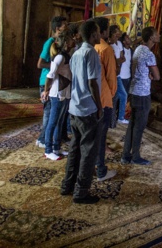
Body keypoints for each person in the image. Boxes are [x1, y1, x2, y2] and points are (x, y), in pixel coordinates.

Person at [61, 20, 103, 204]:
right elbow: (92, 83)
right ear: (94, 34)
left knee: (75, 148)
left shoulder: (77, 53)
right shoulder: (91, 53)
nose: (101, 35)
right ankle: (81, 191)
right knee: (88, 151)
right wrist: (99, 106)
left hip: (75, 106)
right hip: (87, 108)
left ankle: (67, 185)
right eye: (99, 32)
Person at [122, 26, 160, 165]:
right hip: (143, 93)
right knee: (139, 126)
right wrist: (150, 75)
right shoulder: (149, 54)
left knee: (132, 124)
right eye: (156, 34)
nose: (159, 35)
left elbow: (134, 71)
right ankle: (135, 156)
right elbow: (157, 76)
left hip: (134, 90)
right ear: (151, 38)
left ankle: (125, 155)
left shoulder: (137, 49)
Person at [41, 31, 74, 160]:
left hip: (65, 92)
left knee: (60, 122)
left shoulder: (67, 55)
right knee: (53, 122)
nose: (73, 41)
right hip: (57, 94)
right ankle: (48, 150)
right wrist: (46, 90)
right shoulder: (60, 57)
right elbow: (50, 75)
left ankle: (56, 147)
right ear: (66, 42)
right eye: (71, 39)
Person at [93, 17, 117, 182]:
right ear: (103, 31)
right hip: (104, 96)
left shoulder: (90, 47)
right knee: (101, 136)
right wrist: (112, 94)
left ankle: (92, 165)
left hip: (91, 98)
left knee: (93, 135)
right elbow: (110, 77)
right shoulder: (106, 49)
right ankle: (100, 169)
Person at [36, 16, 67, 148]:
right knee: (49, 112)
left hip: (54, 81)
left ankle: (54, 138)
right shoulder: (50, 42)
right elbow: (40, 64)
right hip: (46, 81)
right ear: (57, 28)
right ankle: (43, 139)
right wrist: (55, 65)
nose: (67, 28)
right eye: (65, 26)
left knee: (55, 112)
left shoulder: (62, 42)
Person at [109, 25, 127, 127]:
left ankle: (119, 117)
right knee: (118, 96)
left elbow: (122, 58)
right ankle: (118, 118)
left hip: (118, 74)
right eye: (116, 31)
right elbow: (115, 61)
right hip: (114, 74)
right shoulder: (110, 46)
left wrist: (118, 61)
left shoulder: (119, 44)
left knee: (120, 95)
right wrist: (117, 62)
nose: (118, 33)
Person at [115, 32, 132, 125]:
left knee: (124, 98)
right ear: (124, 42)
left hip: (128, 77)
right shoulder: (121, 51)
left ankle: (120, 115)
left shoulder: (131, 50)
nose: (130, 39)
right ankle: (119, 116)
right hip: (121, 77)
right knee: (121, 96)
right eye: (127, 38)